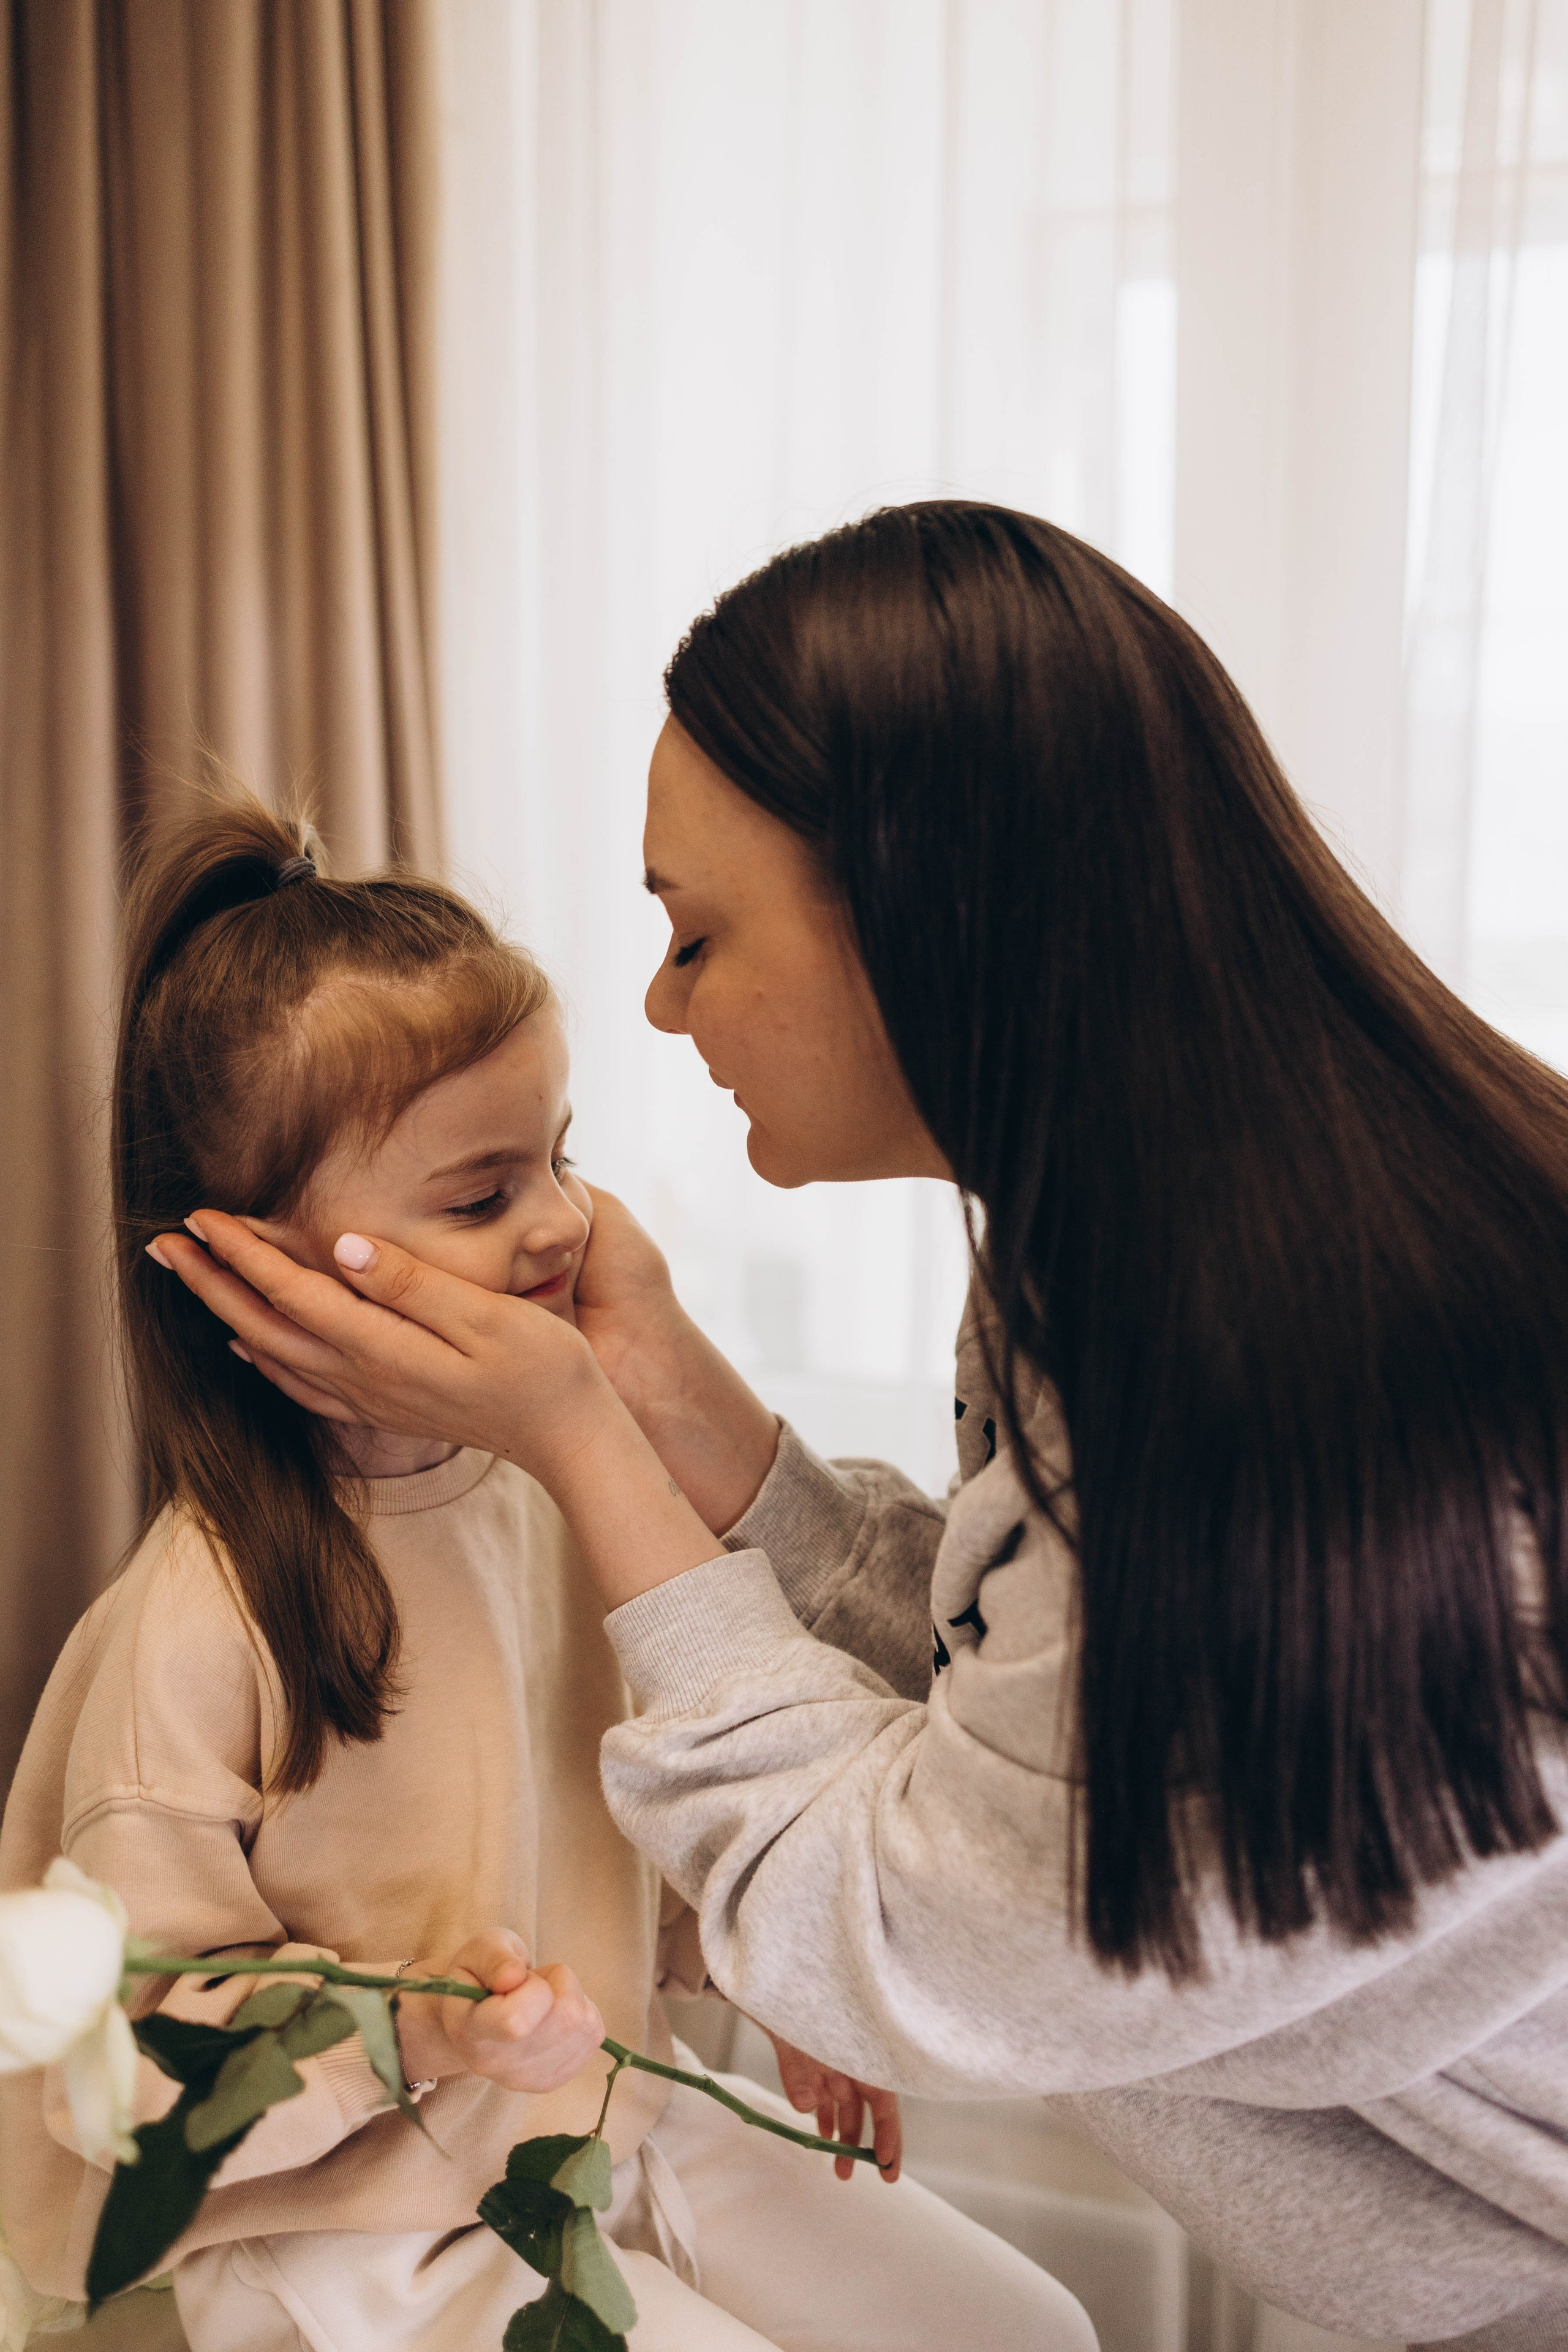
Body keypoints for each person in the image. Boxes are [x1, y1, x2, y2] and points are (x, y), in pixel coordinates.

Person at [154, 503, 1568, 2352]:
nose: (666, 1009)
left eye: (698, 934)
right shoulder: (1152, 1254)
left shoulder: (1264, 1382)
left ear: (923, 910)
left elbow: (918, 1925)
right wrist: (680, 1410)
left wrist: (590, 1441)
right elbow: (1029, 1711)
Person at [0, 791, 1093, 2352]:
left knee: (1025, 2335)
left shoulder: (545, 1497)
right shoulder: (199, 1626)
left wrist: (769, 1976)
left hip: (587, 2126)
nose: (561, 1223)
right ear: (249, 1258)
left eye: (555, 1158)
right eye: (479, 1194)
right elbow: (136, 2076)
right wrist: (425, 2032)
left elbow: (611, 1827)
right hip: (345, 2233)